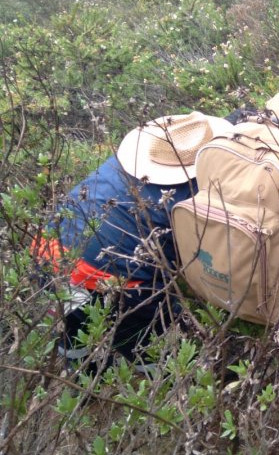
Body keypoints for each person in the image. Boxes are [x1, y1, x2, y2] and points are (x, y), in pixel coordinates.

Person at [35, 112, 233, 374]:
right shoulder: (191, 192)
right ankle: (169, 375)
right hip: (114, 279)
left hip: (47, 251)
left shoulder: (116, 166)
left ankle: (82, 374)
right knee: (145, 340)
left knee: (74, 326)